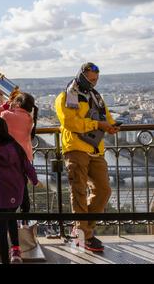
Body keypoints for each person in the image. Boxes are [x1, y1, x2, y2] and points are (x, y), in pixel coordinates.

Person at [55, 62, 119, 252]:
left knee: (103, 190)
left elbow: (105, 117)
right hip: (75, 147)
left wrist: (111, 125)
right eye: (91, 79)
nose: (94, 83)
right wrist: (97, 125)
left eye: (96, 79)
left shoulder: (95, 96)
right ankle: (84, 235)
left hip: (95, 149)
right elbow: (69, 122)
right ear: (82, 76)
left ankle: (82, 229)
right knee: (79, 192)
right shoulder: (66, 96)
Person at [0, 117, 39, 264]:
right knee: (12, 217)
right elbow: (28, 166)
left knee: (0, 230)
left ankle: (5, 260)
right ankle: (16, 251)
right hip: (16, 193)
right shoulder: (16, 147)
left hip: (0, 196)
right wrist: (35, 180)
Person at [0, 92, 38, 224]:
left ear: (18, 103)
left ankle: (8, 219)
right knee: (22, 188)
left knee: (7, 189)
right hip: (24, 159)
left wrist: (4, 105)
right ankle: (25, 219)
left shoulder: (7, 115)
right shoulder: (29, 118)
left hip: (8, 158)